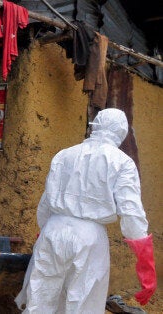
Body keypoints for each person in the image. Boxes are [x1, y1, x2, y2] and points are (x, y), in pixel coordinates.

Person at [15, 108, 156, 313]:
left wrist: (43, 231)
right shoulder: (122, 162)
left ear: (95, 126)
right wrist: (145, 263)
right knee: (83, 302)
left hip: (53, 230)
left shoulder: (64, 155)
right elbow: (131, 211)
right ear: (121, 132)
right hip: (89, 237)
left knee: (41, 298)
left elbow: (46, 201)